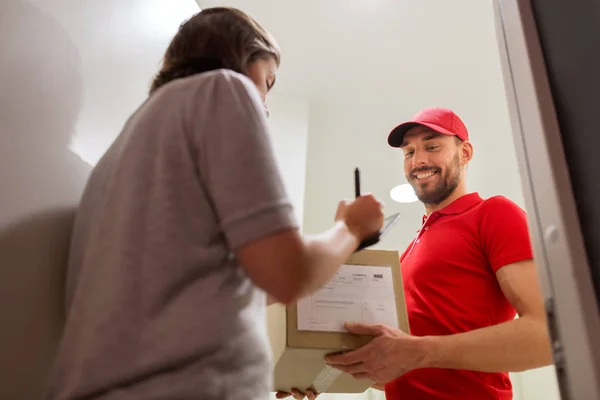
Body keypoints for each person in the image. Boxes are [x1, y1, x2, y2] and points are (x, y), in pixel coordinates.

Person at [47, 7, 385, 400]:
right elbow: (288, 272)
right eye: (267, 82)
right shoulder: (223, 89)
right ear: (242, 57)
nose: (265, 106)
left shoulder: (119, 154)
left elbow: (213, 286)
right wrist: (351, 227)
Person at [279, 107, 553, 400]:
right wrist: (323, 373)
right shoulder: (408, 253)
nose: (418, 160)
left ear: (465, 152)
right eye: (408, 152)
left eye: (432, 146)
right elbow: (407, 368)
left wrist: (420, 351)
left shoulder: (494, 213)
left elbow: (547, 334)